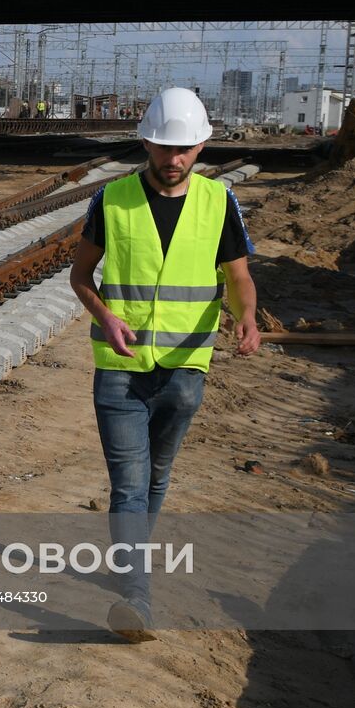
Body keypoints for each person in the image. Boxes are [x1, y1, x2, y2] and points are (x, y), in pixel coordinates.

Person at [68, 87, 261, 642]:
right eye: (162, 148)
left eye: (184, 150)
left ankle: (133, 568)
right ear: (145, 142)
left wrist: (246, 315)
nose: (172, 160)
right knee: (129, 485)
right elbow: (81, 277)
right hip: (121, 367)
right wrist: (104, 316)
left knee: (156, 478)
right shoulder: (111, 201)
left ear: (201, 145)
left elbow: (239, 275)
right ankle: (137, 597)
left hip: (185, 368)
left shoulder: (219, 202)